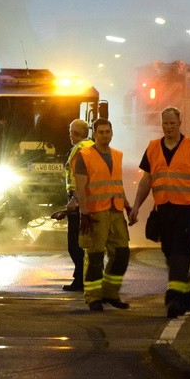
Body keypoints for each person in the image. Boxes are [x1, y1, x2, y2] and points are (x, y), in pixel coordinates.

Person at [131, 106, 190, 319]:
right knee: (170, 254)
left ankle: (174, 298)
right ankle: (186, 295)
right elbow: (146, 180)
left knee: (181, 252)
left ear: (180, 123)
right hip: (164, 211)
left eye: (172, 123)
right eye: (165, 123)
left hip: (186, 210)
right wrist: (135, 206)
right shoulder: (153, 148)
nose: (168, 127)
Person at [73, 118, 133, 311]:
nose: (105, 135)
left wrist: (128, 206)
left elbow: (118, 184)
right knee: (95, 257)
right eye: (101, 132)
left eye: (108, 132)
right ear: (94, 134)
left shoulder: (117, 155)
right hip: (95, 213)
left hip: (115, 211)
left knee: (122, 253)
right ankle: (93, 298)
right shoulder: (84, 155)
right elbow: (80, 188)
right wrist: (84, 213)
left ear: (112, 133)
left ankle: (110, 293)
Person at [51, 119, 93, 292]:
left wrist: (74, 200)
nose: (69, 135)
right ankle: (83, 277)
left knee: (75, 243)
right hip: (88, 199)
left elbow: (79, 178)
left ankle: (81, 280)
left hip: (79, 199)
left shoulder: (80, 151)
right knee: (85, 242)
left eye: (70, 132)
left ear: (76, 134)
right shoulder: (91, 146)